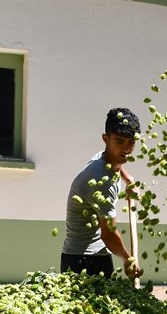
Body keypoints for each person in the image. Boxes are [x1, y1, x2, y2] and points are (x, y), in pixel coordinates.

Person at [60, 107, 141, 280]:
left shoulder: (104, 158)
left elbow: (118, 163)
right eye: (120, 141)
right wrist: (128, 260)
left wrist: (128, 181)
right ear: (106, 139)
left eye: (131, 142)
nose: (126, 149)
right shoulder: (101, 181)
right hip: (84, 260)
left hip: (95, 253)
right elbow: (109, 235)